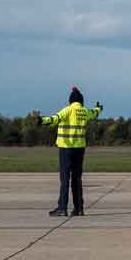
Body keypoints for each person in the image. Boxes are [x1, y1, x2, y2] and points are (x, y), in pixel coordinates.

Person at [40, 87, 102, 217]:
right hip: (80, 149)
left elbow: (54, 119)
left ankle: (62, 208)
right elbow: (94, 112)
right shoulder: (84, 111)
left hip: (66, 148)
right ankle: (79, 208)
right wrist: (99, 108)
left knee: (65, 179)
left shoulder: (68, 110)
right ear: (81, 101)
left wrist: (42, 121)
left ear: (70, 100)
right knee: (77, 178)